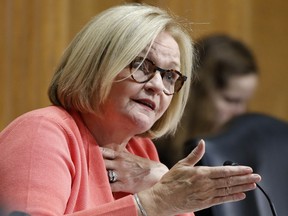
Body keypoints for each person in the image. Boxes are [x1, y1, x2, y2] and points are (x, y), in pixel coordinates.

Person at [0, 4, 261, 216]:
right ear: (96, 65)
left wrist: (161, 179)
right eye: (142, 65)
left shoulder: (141, 152)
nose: (158, 85)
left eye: (170, 76)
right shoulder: (43, 133)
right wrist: (151, 203)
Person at [156, 34, 259, 168]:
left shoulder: (246, 150)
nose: (241, 112)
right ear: (199, 93)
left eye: (245, 102)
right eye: (231, 100)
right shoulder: (156, 145)